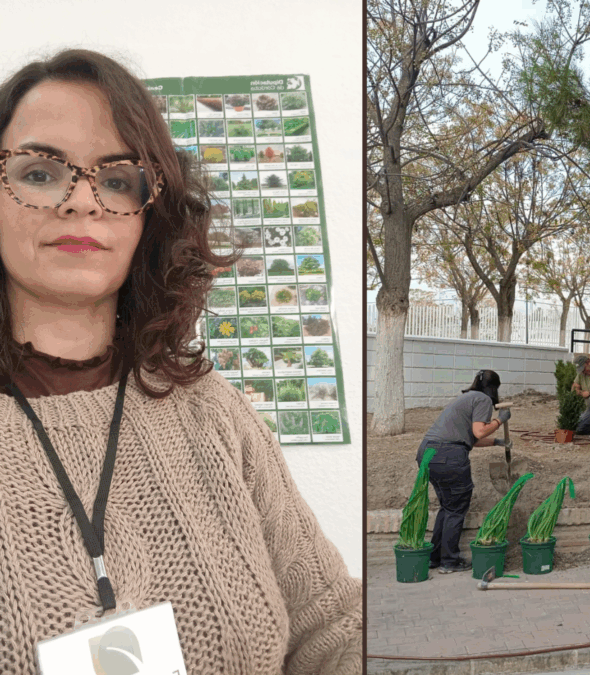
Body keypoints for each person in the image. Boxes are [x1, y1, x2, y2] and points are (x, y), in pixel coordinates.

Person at [0, 50, 361, 673]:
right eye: (39, 172)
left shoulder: (212, 408)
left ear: (151, 216)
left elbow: (334, 628)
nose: (82, 200)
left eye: (118, 180)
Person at [416, 369, 511, 573]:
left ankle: (435, 557)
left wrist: (497, 441)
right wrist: (500, 420)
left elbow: (470, 439)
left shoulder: (466, 398)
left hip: (427, 453)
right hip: (448, 455)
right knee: (456, 508)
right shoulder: (483, 400)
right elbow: (479, 431)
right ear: (493, 388)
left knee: (448, 506)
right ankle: (449, 561)